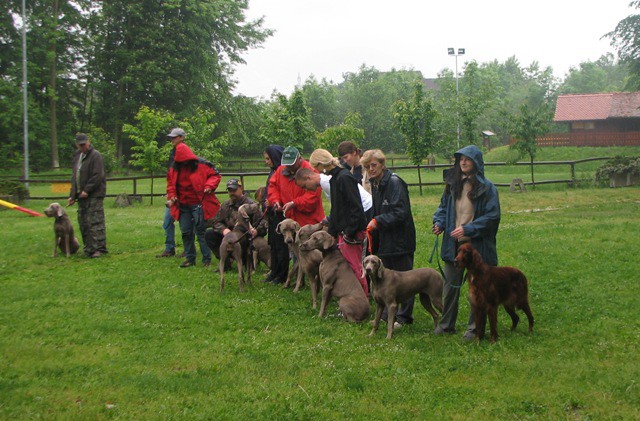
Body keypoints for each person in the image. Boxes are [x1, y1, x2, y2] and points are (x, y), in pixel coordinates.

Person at [432, 144, 501, 340]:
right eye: (460, 158)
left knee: (478, 290)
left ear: (476, 162)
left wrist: (468, 229)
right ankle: (446, 325)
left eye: (467, 159)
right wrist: (439, 222)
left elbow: (492, 216)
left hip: (476, 247)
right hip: (453, 245)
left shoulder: (487, 188)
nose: (463, 162)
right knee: (450, 287)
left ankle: (474, 329)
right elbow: (443, 208)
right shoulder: (452, 184)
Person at [300, 149, 369, 296]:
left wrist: (349, 233)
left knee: (355, 266)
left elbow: (356, 208)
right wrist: (332, 231)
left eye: (315, 167)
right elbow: (337, 209)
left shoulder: (344, 178)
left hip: (353, 232)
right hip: (343, 231)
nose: (316, 170)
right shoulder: (334, 179)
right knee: (348, 266)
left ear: (320, 164)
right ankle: (351, 295)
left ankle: (362, 298)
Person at [362, 149, 416, 329]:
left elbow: (401, 213)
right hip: (385, 240)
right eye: (367, 166)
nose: (370, 169)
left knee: (405, 278)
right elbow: (377, 210)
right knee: (385, 277)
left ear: (382, 165)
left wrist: (378, 221)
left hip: (401, 240)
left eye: (374, 165)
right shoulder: (375, 184)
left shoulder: (394, 183)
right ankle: (386, 314)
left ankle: (403, 317)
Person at [267, 146, 325, 283]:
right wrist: (275, 201)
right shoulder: (281, 170)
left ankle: (318, 276)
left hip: (309, 219)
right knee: (294, 247)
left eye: (292, 163)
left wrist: (295, 203)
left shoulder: (310, 172)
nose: (289, 167)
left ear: (299, 158)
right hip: (292, 218)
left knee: (310, 248)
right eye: (286, 164)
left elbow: (313, 197)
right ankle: (300, 278)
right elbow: (273, 186)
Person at [166, 141, 221, 268]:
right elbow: (170, 184)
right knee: (186, 232)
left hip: (198, 203)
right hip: (182, 205)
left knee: (200, 231)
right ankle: (190, 258)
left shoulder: (202, 164)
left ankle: (206, 259)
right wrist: (172, 195)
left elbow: (215, 175)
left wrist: (209, 186)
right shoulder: (174, 168)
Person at [205, 178, 267, 265]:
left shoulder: (251, 205)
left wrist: (256, 231)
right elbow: (216, 222)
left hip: (246, 237)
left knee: (246, 261)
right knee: (209, 234)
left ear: (241, 188)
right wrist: (224, 230)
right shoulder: (225, 205)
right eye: (230, 190)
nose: (232, 193)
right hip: (229, 236)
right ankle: (225, 261)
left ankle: (248, 260)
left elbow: (263, 222)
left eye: (234, 190)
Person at [67, 133, 108, 258]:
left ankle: (99, 248)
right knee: (83, 222)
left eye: (84, 144)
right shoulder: (77, 156)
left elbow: (97, 175)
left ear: (88, 142)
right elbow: (75, 176)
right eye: (80, 145)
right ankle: (89, 247)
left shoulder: (96, 156)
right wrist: (72, 195)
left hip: (94, 195)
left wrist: (87, 190)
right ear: (77, 145)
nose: (83, 147)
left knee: (95, 222)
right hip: (81, 196)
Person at [262, 145, 289, 284]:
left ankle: (282, 274)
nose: (266, 161)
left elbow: (284, 192)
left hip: (280, 213)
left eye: (268, 159)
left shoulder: (283, 172)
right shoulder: (272, 172)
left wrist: (275, 202)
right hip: (272, 213)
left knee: (281, 245)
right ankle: (274, 271)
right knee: (272, 243)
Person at [157, 128, 185, 258]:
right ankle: (170, 248)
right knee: (167, 221)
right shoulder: (172, 153)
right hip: (173, 193)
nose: (172, 140)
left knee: (186, 224)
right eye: (171, 138)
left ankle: (187, 249)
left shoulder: (185, 152)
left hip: (184, 194)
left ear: (181, 137)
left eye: (174, 137)